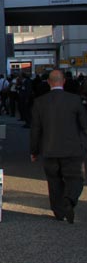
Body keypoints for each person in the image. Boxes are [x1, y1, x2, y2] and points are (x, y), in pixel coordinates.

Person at [30, 69, 87, 223]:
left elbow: (35, 129)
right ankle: (70, 200)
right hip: (73, 150)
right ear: (64, 82)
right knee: (75, 178)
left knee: (54, 181)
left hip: (49, 149)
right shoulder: (75, 100)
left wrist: (34, 151)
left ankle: (59, 212)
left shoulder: (40, 102)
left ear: (49, 82)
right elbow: (84, 125)